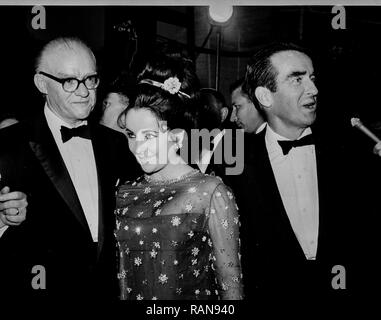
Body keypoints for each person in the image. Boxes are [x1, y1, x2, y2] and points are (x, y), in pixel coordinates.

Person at [0, 36, 139, 299]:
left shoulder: (116, 144)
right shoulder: (8, 144)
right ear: (42, 83)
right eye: (69, 81)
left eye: (91, 79)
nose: (84, 91)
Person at [115, 54, 243, 300]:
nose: (137, 147)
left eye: (150, 136)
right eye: (131, 135)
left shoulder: (210, 192)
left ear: (177, 137)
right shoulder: (124, 192)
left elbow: (231, 288)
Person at [238, 42, 360, 295]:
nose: (313, 89)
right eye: (297, 80)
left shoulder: (348, 151)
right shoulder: (238, 161)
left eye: (312, 78)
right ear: (264, 96)